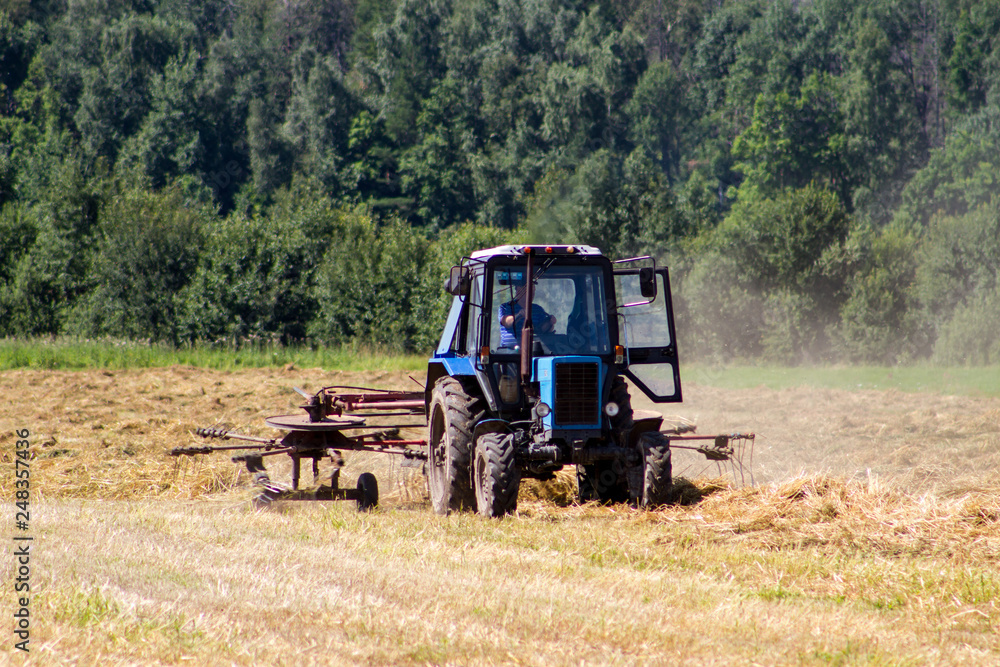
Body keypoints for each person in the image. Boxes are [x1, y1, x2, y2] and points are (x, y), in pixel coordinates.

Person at [497, 283, 556, 348]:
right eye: (527, 290)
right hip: (508, 352)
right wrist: (519, 315)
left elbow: (542, 330)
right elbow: (506, 322)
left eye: (533, 290)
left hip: (533, 350)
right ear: (517, 289)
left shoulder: (538, 309)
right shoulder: (505, 307)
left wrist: (550, 322)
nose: (531, 293)